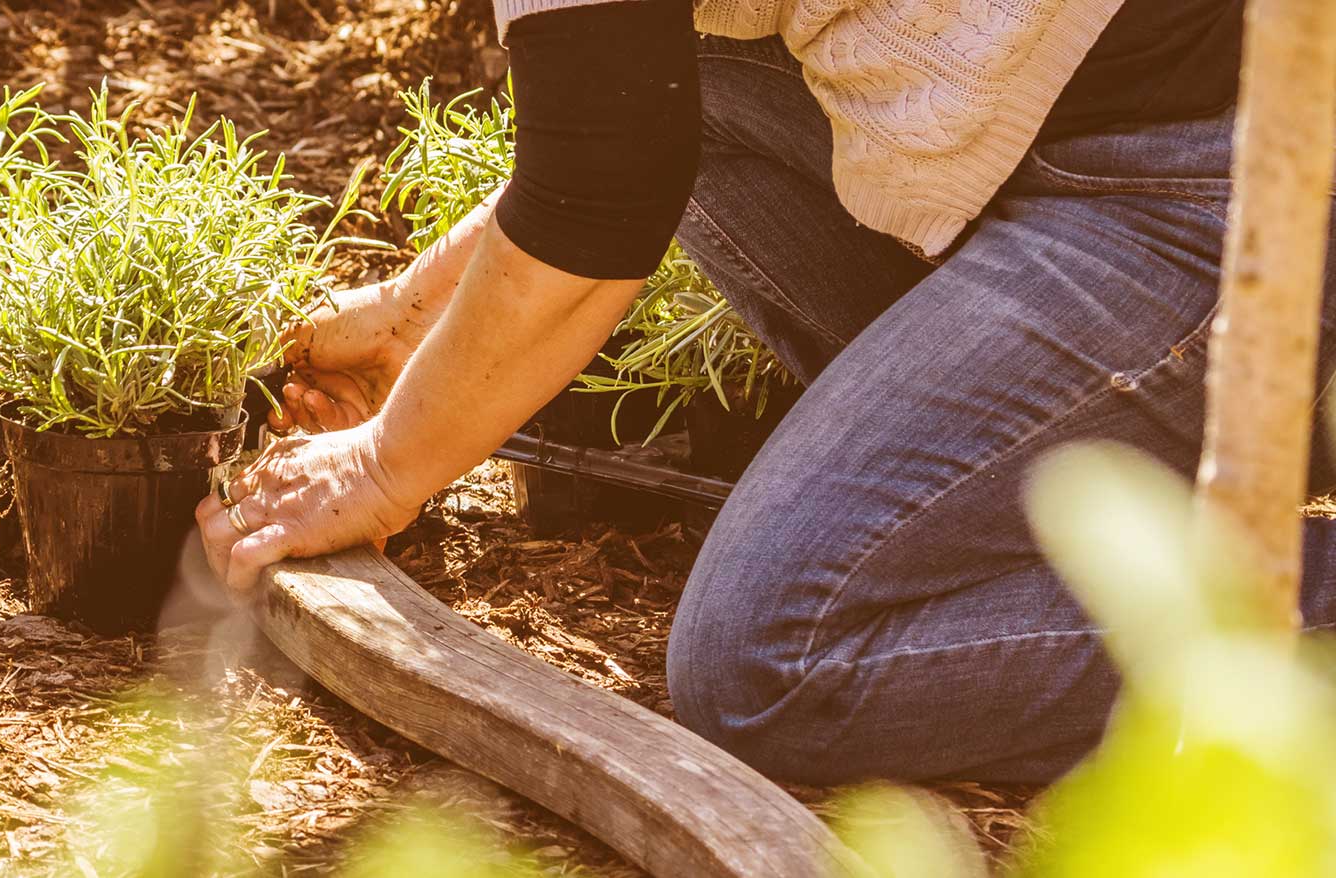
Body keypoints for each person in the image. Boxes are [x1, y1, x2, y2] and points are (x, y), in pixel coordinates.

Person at [199, 0, 1336, 785]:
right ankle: (1048, 479)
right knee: (712, 78)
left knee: (774, 660)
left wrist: (386, 462)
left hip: (1218, 176)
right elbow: (621, 127)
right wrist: (410, 319)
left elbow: (600, 203)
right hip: (1101, 123)